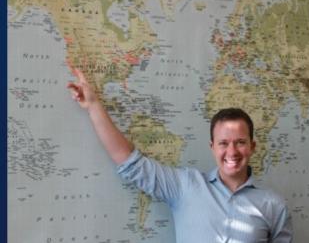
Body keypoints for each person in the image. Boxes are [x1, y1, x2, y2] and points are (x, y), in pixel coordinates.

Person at [67, 68, 293, 243]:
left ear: (252, 146)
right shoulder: (185, 187)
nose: (231, 152)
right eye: (223, 143)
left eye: (240, 142)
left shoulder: (273, 206)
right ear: (212, 146)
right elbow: (130, 162)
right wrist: (94, 106)